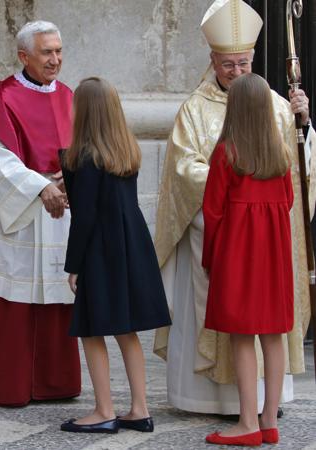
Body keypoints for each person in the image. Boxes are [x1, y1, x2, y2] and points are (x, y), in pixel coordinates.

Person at [153, 0, 315, 415]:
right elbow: (184, 169)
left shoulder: (277, 105)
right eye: (228, 64)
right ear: (213, 59)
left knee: (249, 329)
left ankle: (261, 407)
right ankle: (224, 403)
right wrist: (242, 187)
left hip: (247, 241)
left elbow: (298, 172)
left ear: (253, 59)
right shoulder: (194, 108)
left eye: (242, 63)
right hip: (220, 232)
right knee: (261, 328)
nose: (236, 71)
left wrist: (305, 126)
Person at [0, 20, 81, 406]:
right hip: (21, 211)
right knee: (11, 297)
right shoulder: (4, 98)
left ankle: (54, 382)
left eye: (59, 51)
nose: (55, 59)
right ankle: (3, 382)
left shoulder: (69, 96)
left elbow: (85, 145)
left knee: (57, 293)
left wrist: (72, 174)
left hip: (60, 207)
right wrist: (40, 186)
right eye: (47, 52)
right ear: (24, 55)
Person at [59, 77, 171, 434]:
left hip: (101, 250)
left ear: (85, 112)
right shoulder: (125, 152)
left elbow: (85, 217)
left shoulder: (88, 158)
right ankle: (140, 408)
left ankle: (104, 409)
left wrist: (74, 266)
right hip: (130, 244)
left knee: (92, 331)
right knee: (126, 330)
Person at [203, 73, 293, 446]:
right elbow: (286, 203)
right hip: (273, 258)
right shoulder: (281, 156)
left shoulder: (227, 154)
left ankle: (247, 423)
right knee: (273, 337)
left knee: (242, 338)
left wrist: (210, 260)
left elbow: (213, 213)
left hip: (239, 257)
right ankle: (269, 420)